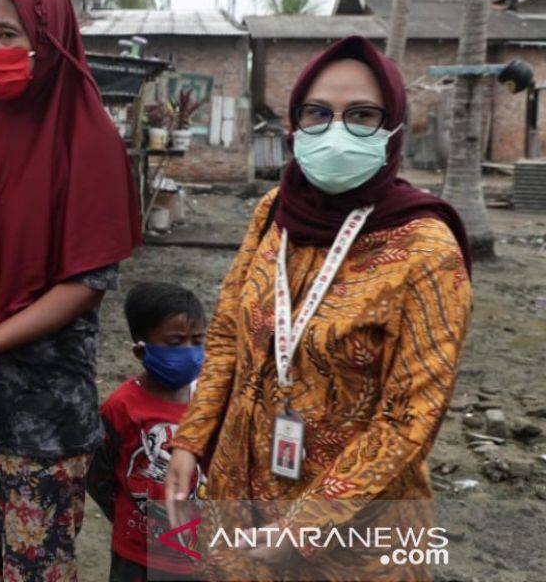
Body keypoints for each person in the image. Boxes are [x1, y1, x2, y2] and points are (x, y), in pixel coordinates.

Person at [164, 35, 473, 581]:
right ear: (294, 120)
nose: (335, 131)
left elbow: (410, 417)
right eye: (317, 113)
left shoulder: (426, 246)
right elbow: (229, 338)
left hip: (356, 533)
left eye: (361, 115)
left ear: (393, 126)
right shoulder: (274, 212)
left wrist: (306, 524)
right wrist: (192, 439)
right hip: (241, 500)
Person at [0, 0, 141, 581]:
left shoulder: (87, 137)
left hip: (38, 413)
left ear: (48, 39)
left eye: (8, 33)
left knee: (34, 571)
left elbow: (87, 280)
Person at [87, 282, 207, 582]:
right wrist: (130, 517)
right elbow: (99, 475)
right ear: (141, 351)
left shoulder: (209, 405)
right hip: (137, 554)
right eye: (176, 342)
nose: (190, 352)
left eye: (197, 340)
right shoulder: (122, 407)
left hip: (202, 553)